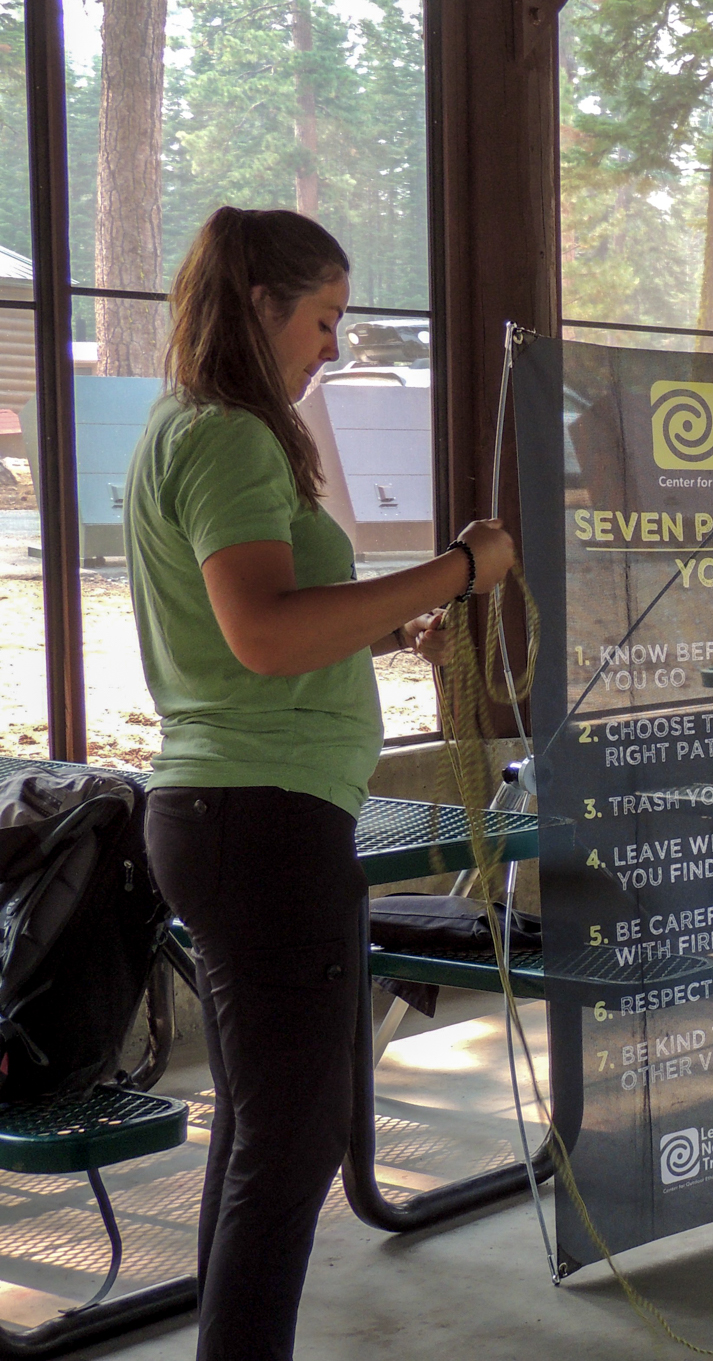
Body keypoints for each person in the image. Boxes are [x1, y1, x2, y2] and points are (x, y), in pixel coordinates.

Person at [125, 206, 516, 1359]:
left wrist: (393, 629)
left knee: (262, 1127)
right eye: (324, 319)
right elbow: (260, 634)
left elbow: (266, 619)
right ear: (261, 305)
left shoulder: (184, 424)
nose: (334, 347)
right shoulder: (231, 436)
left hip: (232, 809)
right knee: (293, 1145)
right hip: (257, 816)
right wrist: (457, 566)